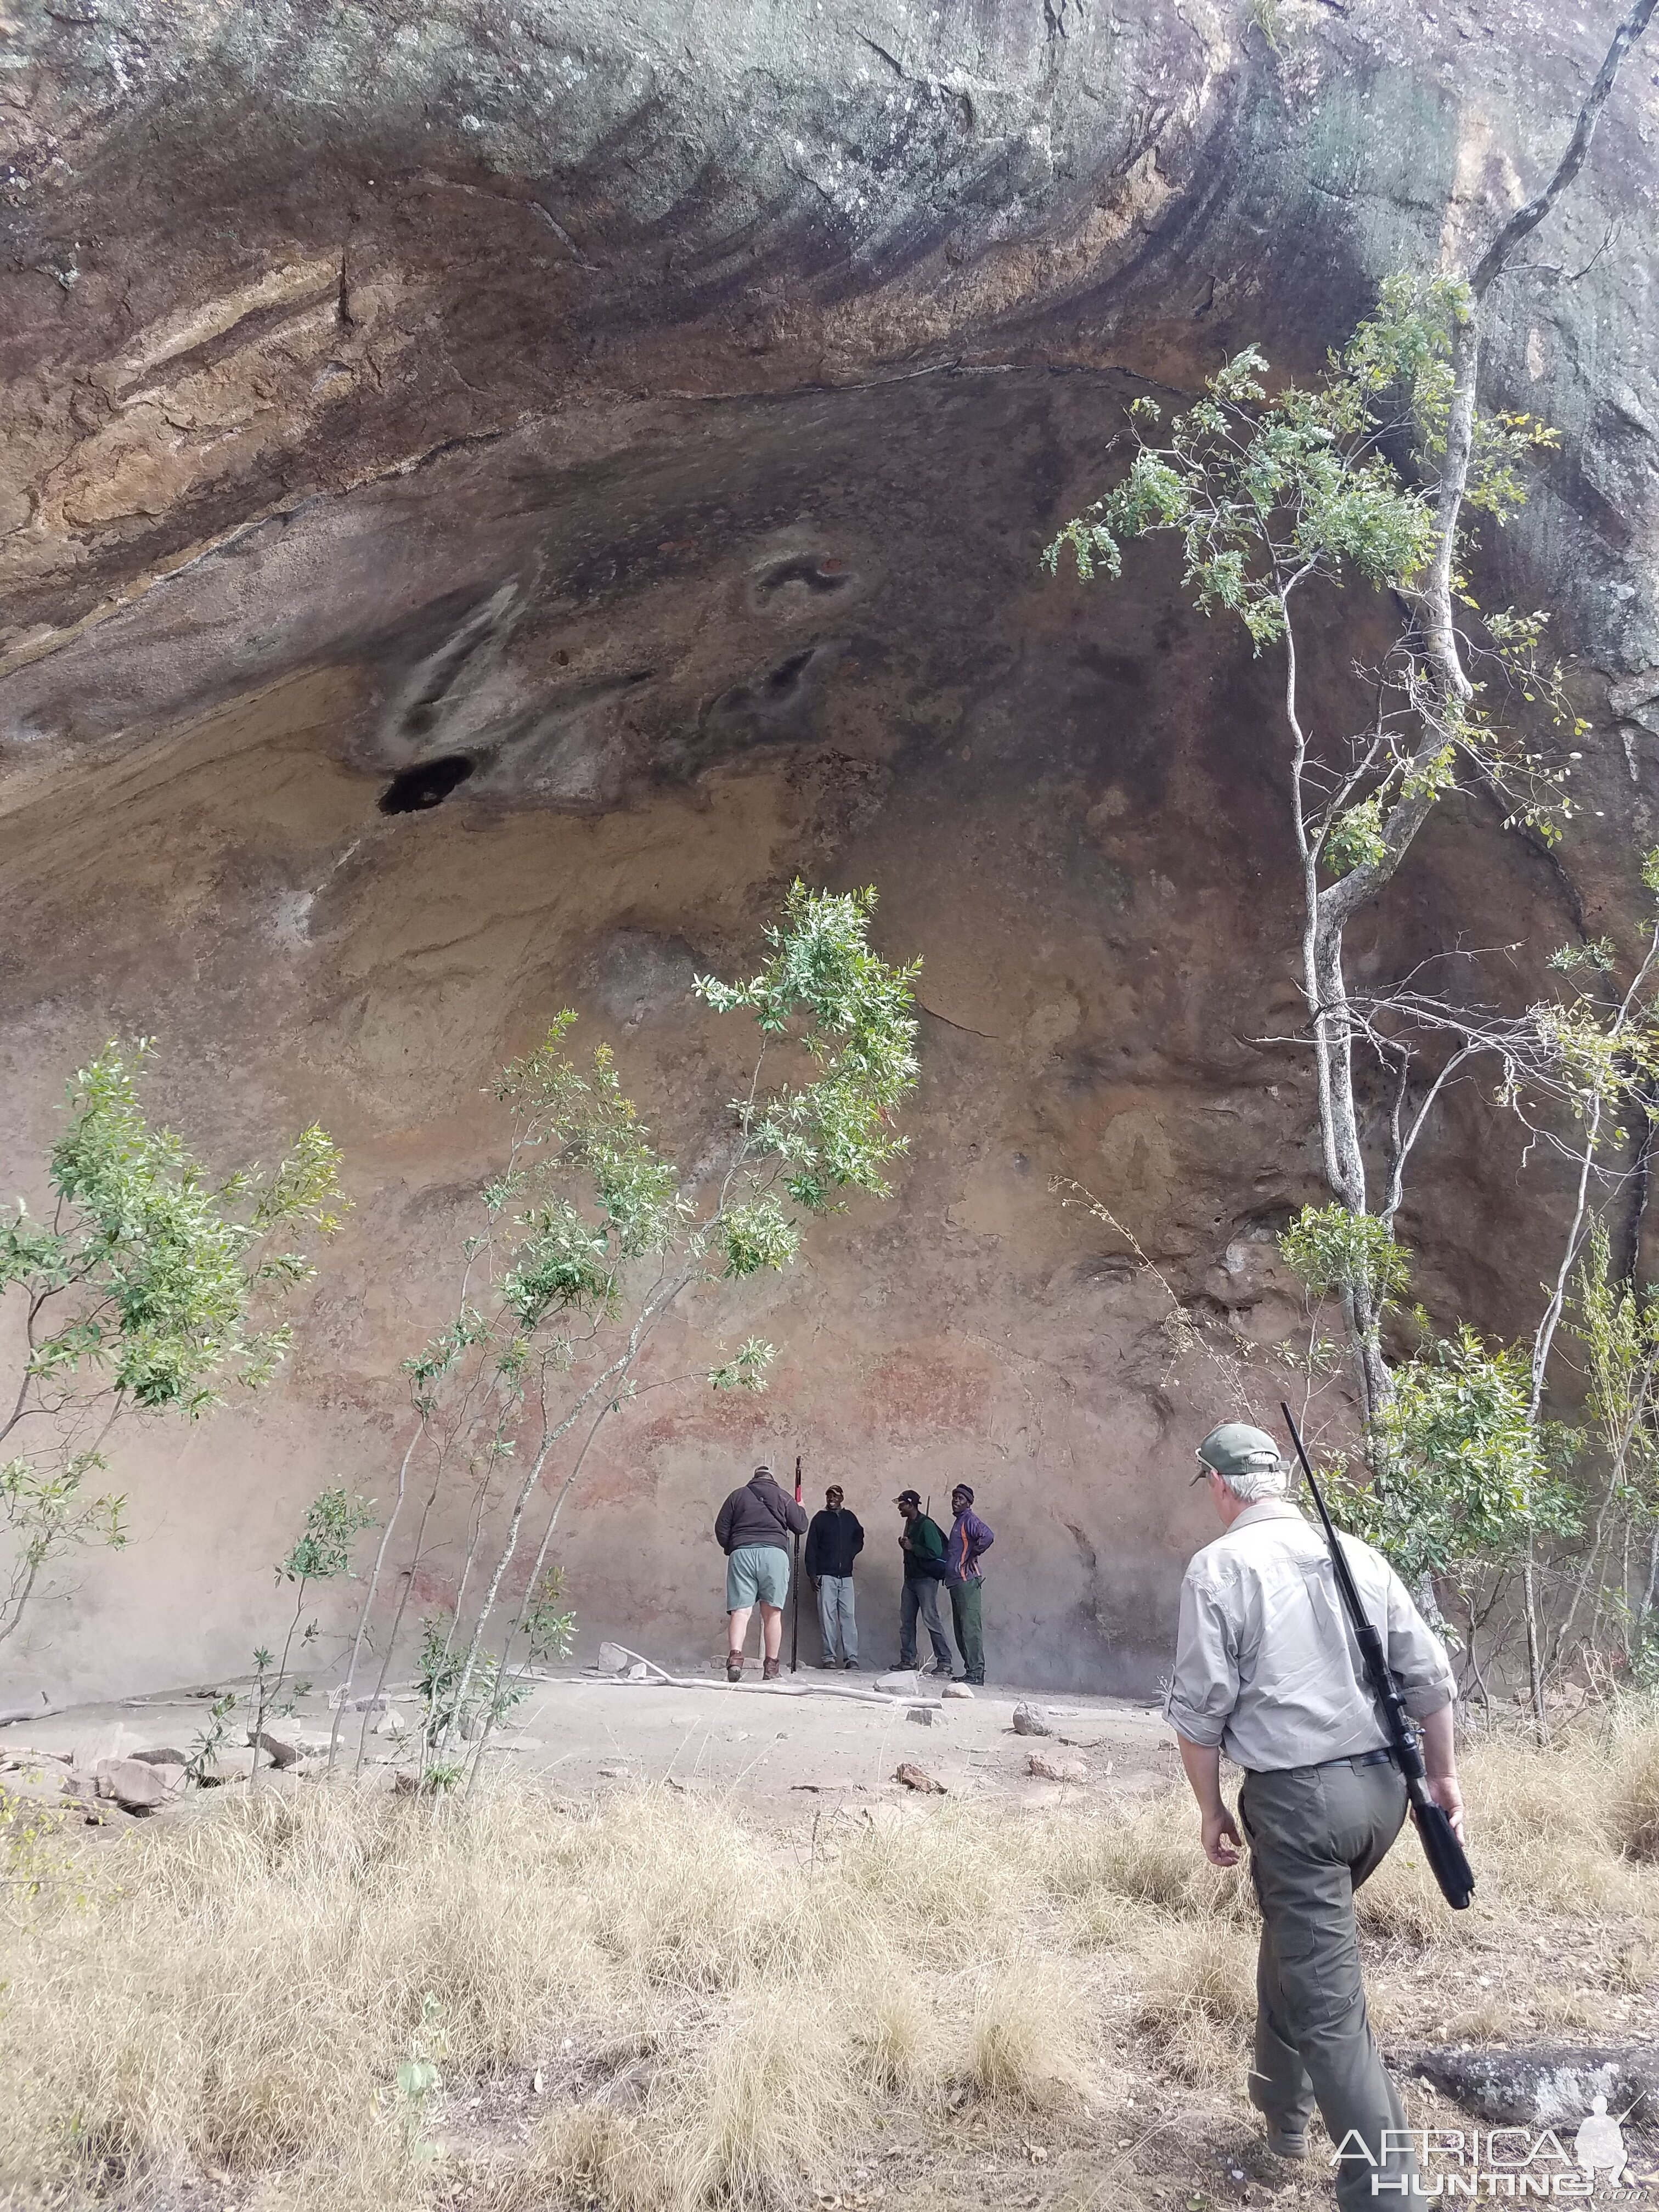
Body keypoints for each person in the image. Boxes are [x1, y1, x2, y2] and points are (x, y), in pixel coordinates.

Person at [1165, 1421, 1461, 2212]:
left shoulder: (1219, 1567)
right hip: (1385, 1799)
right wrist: (1444, 1777)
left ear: (1222, 1487)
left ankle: (1387, 2193)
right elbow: (1429, 1678)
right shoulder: (1356, 1553)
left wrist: (1209, 1808)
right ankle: (1282, 2114)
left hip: (1299, 1803)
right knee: (1297, 1941)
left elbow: (1199, 1715)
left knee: (1331, 2009)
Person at [713, 1462, 808, 1683]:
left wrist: (733, 1547)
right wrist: (800, 1506)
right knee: (772, 1613)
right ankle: (771, 1668)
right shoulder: (783, 1496)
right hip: (774, 1554)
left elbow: (721, 1527)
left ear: (754, 1478)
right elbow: (801, 1527)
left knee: (741, 1611)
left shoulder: (737, 1496)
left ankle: (735, 1660)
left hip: (743, 1553)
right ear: (772, 1480)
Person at [804, 1483, 864, 1669]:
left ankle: (851, 1658)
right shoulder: (819, 1519)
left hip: (846, 1576)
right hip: (826, 1576)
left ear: (841, 1499)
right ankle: (829, 1658)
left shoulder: (850, 1518)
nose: (832, 1499)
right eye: (829, 1495)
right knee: (827, 1618)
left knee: (848, 1617)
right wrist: (812, 1574)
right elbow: (811, 1548)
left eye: (835, 1496)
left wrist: (849, 1554)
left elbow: (859, 1538)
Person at [894, 1488, 952, 1675]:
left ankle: (945, 1661)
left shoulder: (927, 1525)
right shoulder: (910, 1522)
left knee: (931, 1619)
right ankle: (908, 1660)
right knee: (907, 1622)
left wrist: (913, 1547)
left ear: (911, 1504)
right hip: (911, 1579)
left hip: (926, 1580)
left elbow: (935, 1552)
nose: (899, 1508)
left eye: (902, 1504)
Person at [944, 1483, 994, 1685]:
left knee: (970, 1629)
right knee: (961, 1629)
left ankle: (976, 1673)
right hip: (956, 1582)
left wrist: (975, 1553)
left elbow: (988, 1536)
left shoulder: (969, 1520)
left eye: (961, 1499)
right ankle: (970, 1671)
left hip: (967, 1581)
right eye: (955, 1497)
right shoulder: (959, 1522)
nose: (956, 1501)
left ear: (969, 1503)